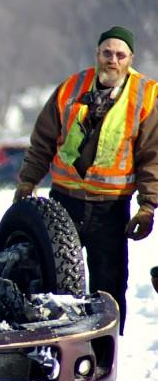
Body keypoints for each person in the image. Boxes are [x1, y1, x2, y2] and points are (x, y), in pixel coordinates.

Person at [14, 26, 158, 335]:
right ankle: (53, 346)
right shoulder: (71, 88)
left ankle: (103, 352)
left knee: (109, 287)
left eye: (120, 55)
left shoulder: (146, 96)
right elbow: (43, 140)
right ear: (97, 55)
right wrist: (27, 182)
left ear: (130, 59)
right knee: (52, 284)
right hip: (65, 202)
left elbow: (151, 157)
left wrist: (147, 207)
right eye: (107, 53)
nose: (113, 60)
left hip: (111, 208)